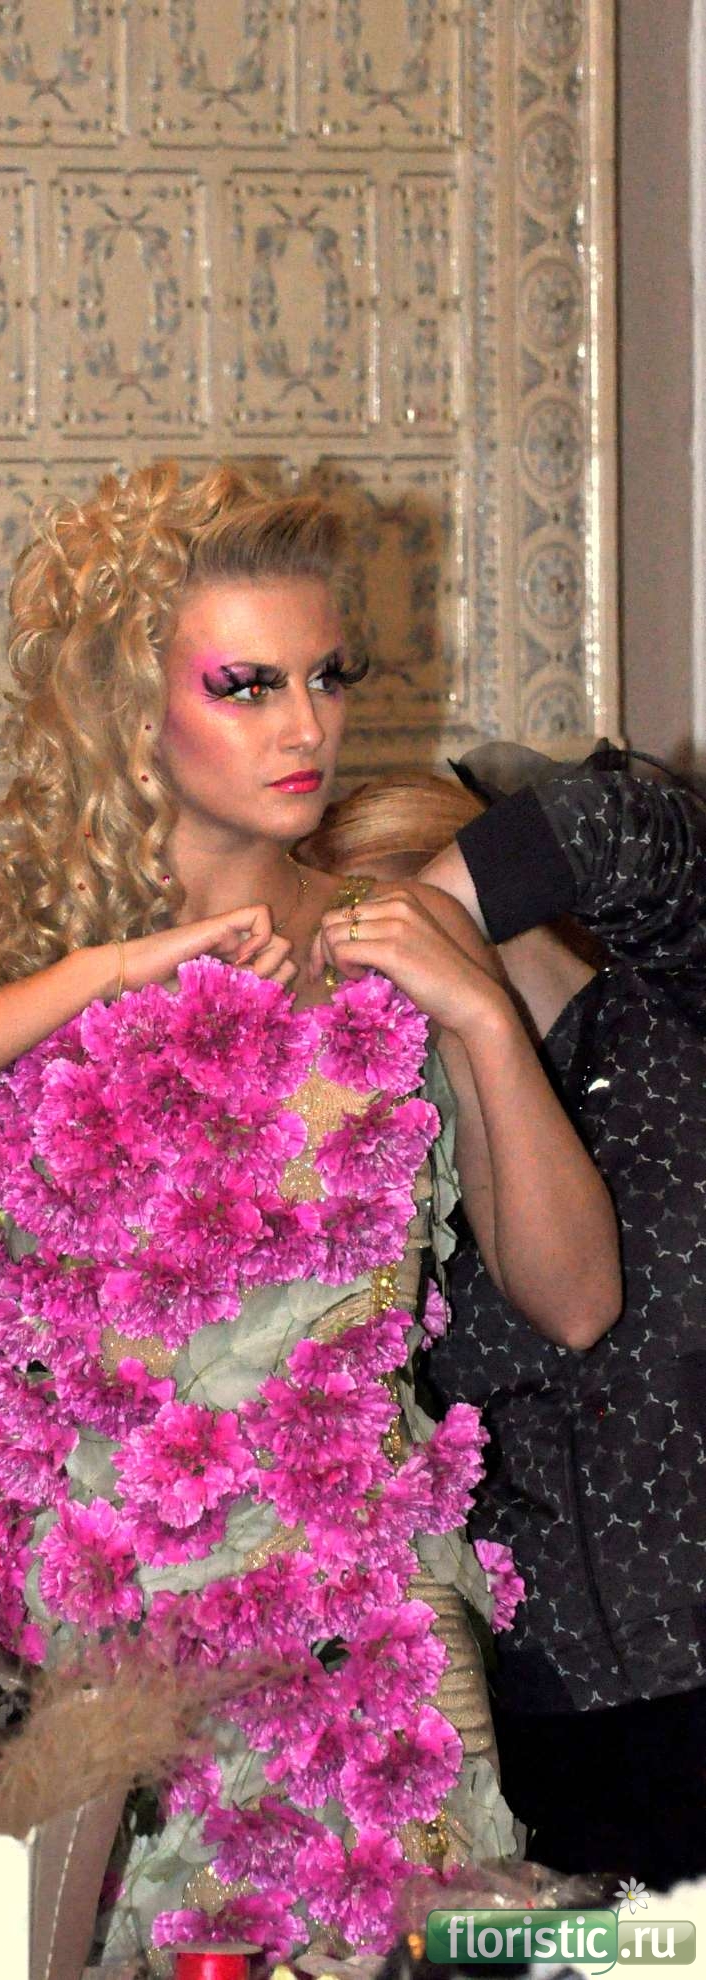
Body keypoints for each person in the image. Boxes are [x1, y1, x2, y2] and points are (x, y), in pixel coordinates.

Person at [0, 462, 620, 1964]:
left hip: (355, 1633)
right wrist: (105, 971)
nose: (305, 728)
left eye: (325, 677)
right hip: (110, 1650)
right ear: (126, 705)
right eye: (246, 686)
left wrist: (484, 1019)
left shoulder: (394, 928)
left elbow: (574, 1300)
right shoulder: (30, 957)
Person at [310, 761, 706, 1889]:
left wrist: (430, 922)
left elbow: (619, 821)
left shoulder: (675, 1003)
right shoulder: (402, 1142)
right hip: (540, 1727)